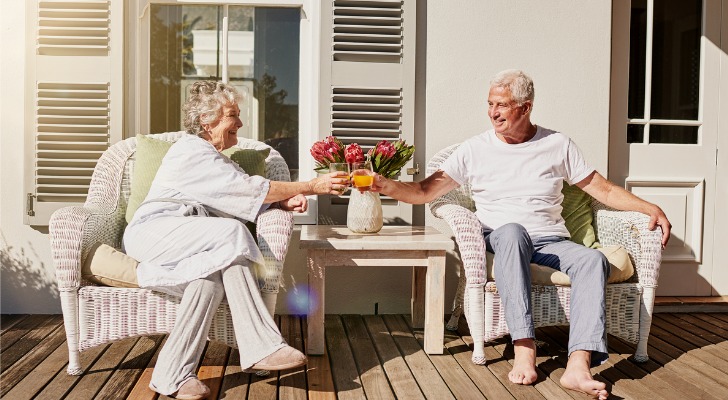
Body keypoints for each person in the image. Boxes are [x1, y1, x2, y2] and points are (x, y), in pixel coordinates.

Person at [370, 69, 671, 400]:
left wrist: (649, 208)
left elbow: (602, 189)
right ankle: (524, 348)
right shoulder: (475, 149)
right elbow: (425, 190)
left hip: (551, 242)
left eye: (502, 105)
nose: (493, 112)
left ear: (525, 108)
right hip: (502, 239)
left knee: (592, 260)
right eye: (490, 103)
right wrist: (385, 186)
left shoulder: (557, 144)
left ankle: (578, 366)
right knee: (513, 232)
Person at [123, 81, 348, 400]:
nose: (240, 124)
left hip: (189, 239)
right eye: (233, 115)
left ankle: (171, 373)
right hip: (154, 232)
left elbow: (242, 191)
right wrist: (310, 186)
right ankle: (261, 345)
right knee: (232, 233)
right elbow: (247, 191)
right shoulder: (192, 151)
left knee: (208, 280)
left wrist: (282, 202)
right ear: (207, 120)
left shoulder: (219, 160)